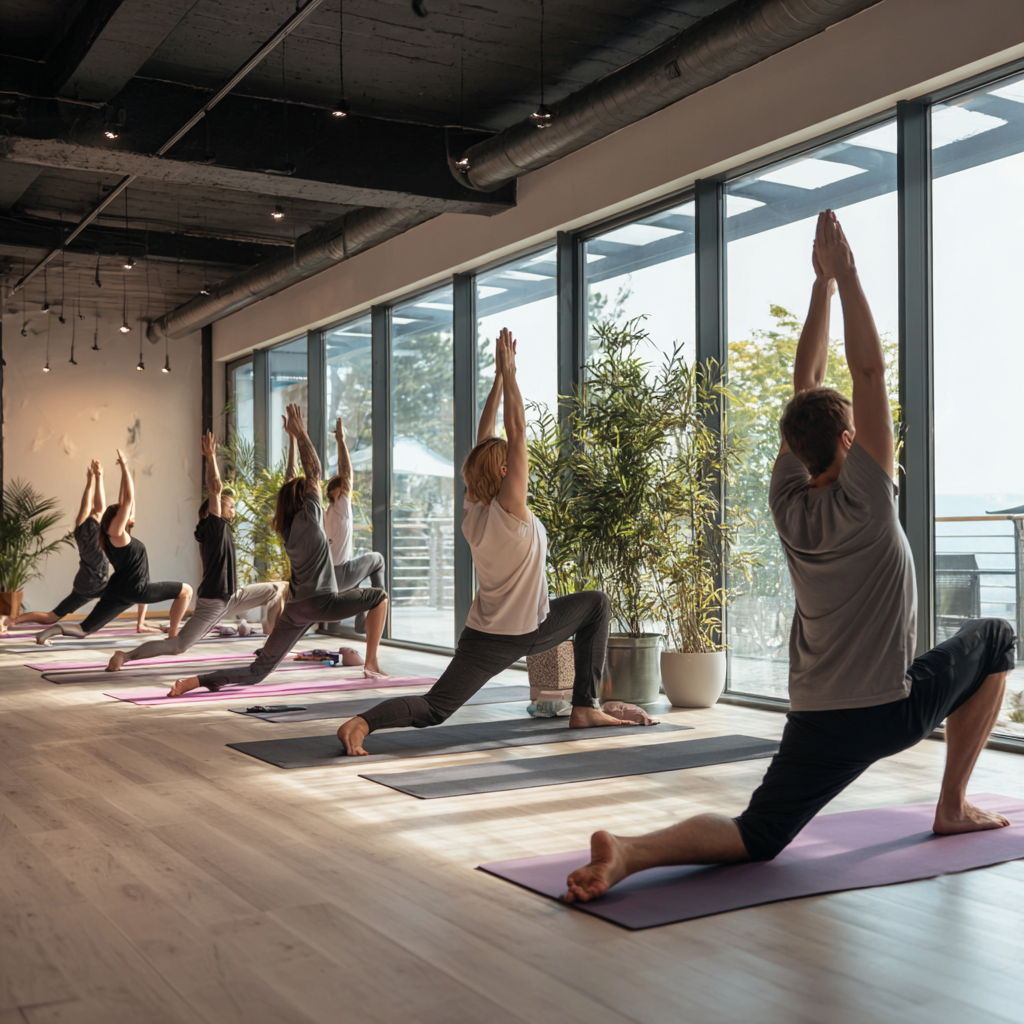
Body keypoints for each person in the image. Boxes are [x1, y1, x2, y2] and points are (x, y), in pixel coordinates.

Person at [564, 210, 1015, 904]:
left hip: (812, 714)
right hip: (883, 713)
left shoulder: (787, 497)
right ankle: (951, 804)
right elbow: (865, 368)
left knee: (759, 833)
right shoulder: (868, 492)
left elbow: (808, 378)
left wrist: (822, 290)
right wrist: (847, 274)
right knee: (998, 638)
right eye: (856, 429)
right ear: (848, 441)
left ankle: (629, 852)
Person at [338, 327, 633, 756]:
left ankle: (364, 722)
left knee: (435, 708)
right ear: (502, 472)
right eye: (509, 463)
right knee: (598, 604)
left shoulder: (473, 512)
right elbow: (516, 428)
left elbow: (486, 435)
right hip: (527, 631)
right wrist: (510, 375)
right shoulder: (510, 510)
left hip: (481, 635)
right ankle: (584, 705)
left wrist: (495, 381)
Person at [167, 404, 388, 697]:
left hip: (296, 609)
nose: (316, 490)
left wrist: (292, 442)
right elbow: (315, 471)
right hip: (323, 603)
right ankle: (371, 661)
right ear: (305, 498)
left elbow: (292, 481)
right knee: (380, 596)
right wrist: (301, 433)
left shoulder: (286, 525)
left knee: (257, 672)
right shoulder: (310, 516)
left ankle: (194, 681)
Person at [105, 431, 288, 671]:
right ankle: (125, 656)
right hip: (215, 602)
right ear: (215, 507)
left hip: (231, 596)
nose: (234, 508)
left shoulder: (218, 527)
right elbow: (214, 486)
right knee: (179, 645)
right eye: (229, 504)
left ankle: (272, 650)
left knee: (280, 587)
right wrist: (210, 457)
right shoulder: (213, 525)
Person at [36, 449, 193, 645]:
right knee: (186, 590)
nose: (128, 512)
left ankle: (49, 632)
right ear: (116, 519)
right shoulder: (116, 533)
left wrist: (124, 473)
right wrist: (125, 467)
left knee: (84, 629)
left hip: (117, 591)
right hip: (136, 590)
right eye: (122, 513)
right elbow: (127, 501)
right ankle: (173, 634)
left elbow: (126, 499)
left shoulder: (114, 536)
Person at [1, 461, 155, 636]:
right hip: (98, 582)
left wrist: (93, 479)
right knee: (140, 587)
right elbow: (99, 506)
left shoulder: (79, 529)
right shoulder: (105, 534)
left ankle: (11, 619)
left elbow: (89, 503)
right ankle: (141, 624)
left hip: (84, 583)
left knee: (52, 616)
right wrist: (97, 478)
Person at [323, 415, 386, 635]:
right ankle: (379, 604)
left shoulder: (324, 513)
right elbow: (346, 473)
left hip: (329, 578)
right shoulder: (340, 507)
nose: (349, 490)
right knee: (377, 559)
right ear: (336, 492)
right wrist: (341, 441)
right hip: (341, 574)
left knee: (357, 571)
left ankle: (336, 627)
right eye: (344, 489)